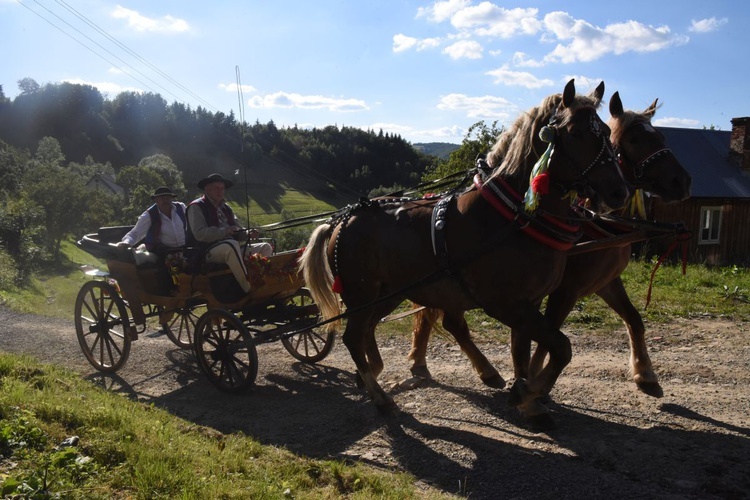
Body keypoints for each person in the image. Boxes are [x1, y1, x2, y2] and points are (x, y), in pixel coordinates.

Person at [186, 173, 272, 295]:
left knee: (265, 247)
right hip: (206, 251)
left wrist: (247, 233)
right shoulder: (196, 207)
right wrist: (225, 231)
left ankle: (264, 282)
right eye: (216, 188)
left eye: (222, 188)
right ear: (206, 188)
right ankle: (249, 289)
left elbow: (237, 229)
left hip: (231, 248)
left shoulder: (226, 208)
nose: (220, 191)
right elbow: (200, 234)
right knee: (231, 245)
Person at [118, 186, 187, 265]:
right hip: (162, 252)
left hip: (185, 249)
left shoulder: (181, 208)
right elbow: (135, 233)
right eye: (162, 198)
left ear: (172, 198)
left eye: (168, 197)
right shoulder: (149, 215)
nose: (165, 200)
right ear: (156, 200)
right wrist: (126, 243)